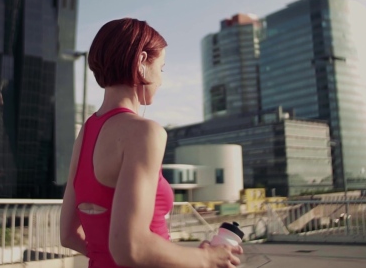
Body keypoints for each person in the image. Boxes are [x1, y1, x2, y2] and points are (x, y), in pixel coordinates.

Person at [60, 18, 243, 268]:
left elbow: (68, 235)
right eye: (162, 68)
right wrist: (207, 258)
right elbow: (131, 248)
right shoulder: (144, 132)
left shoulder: (86, 133)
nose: (161, 80)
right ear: (141, 62)